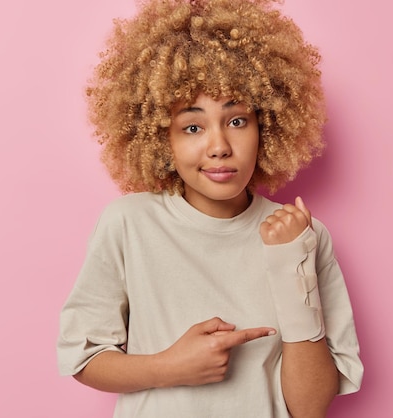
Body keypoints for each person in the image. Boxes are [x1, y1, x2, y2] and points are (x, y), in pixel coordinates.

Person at [57, 0, 363, 416]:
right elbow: (83, 357)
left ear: (267, 126)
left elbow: (309, 407)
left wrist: (291, 261)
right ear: (161, 137)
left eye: (237, 121)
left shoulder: (303, 235)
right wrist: (170, 367)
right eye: (193, 127)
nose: (219, 147)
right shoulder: (128, 224)